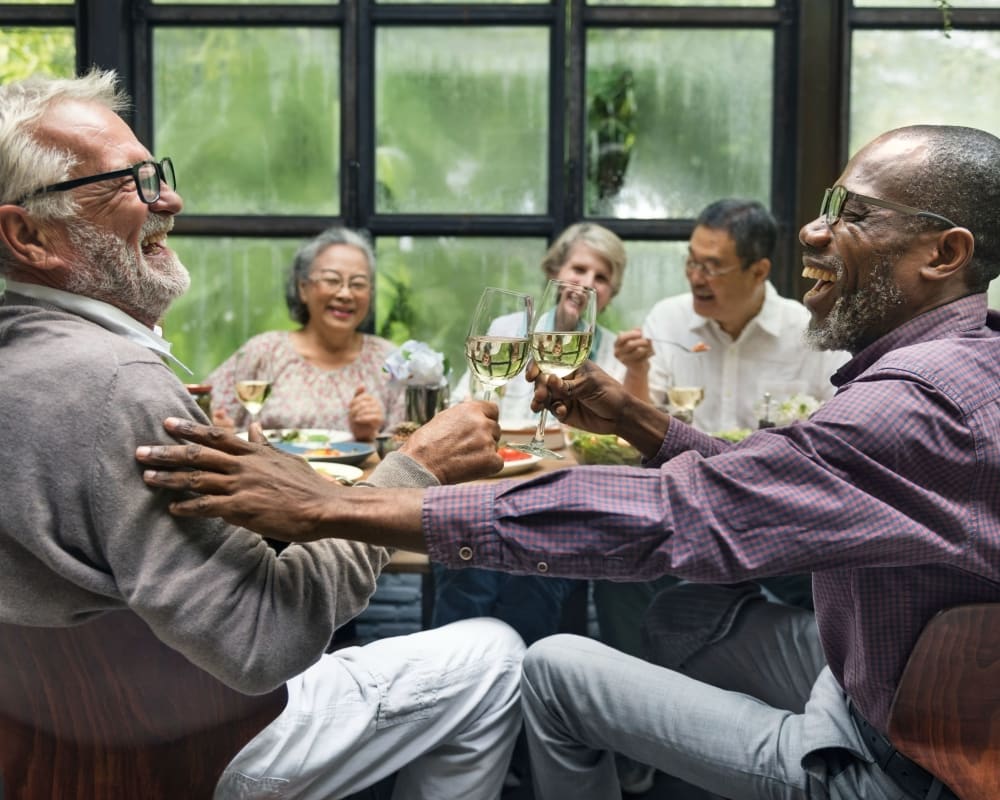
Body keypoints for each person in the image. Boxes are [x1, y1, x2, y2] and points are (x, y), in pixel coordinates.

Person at [139, 122, 1000, 800]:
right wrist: (642, 422)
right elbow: (769, 479)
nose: (815, 227)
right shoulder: (953, 366)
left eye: (851, 213)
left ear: (943, 254)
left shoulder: (919, 402)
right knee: (678, 619)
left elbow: (676, 516)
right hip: (872, 672)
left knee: (547, 667)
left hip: (881, 759)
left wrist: (337, 506)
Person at [0, 69, 526, 800]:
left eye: (159, 174)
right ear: (28, 234)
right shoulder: (117, 382)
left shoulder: (32, 366)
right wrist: (414, 468)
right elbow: (262, 642)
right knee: (496, 656)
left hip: (55, 749)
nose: (170, 199)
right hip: (196, 744)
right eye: (129, 183)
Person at [437, 222, 628, 649]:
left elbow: (613, 443)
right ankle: (454, 678)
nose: (586, 283)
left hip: (560, 496)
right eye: (579, 269)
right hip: (491, 483)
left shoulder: (616, 353)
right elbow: (462, 404)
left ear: (611, 293)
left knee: (536, 579)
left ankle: (525, 685)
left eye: (602, 278)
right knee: (469, 570)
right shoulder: (507, 328)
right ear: (554, 271)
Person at [206, 226, 405, 443]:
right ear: (303, 288)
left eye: (358, 284)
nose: (346, 294)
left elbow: (407, 447)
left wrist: (369, 436)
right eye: (331, 280)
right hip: (269, 476)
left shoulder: (390, 361)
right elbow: (203, 413)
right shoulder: (264, 351)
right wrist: (216, 427)